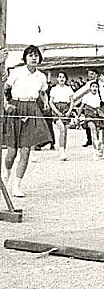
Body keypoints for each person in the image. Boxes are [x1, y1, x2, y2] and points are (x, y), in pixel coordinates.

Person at [3, 45, 53, 197]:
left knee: (25, 151)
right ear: (25, 58)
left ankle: (16, 186)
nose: (33, 58)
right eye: (30, 55)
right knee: (11, 152)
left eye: (36, 55)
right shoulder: (17, 72)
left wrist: (46, 102)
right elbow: (4, 88)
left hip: (32, 109)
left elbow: (43, 92)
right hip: (15, 107)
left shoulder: (41, 76)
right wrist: (6, 104)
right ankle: (7, 173)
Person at [76, 81, 104, 160]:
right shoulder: (86, 96)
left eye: (96, 86)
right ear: (90, 88)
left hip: (96, 114)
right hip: (89, 114)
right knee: (92, 128)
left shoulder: (99, 96)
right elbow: (81, 107)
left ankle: (95, 151)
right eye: (93, 86)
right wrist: (78, 117)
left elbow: (100, 106)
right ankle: (96, 142)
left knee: (97, 132)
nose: (94, 88)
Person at [49, 71, 74, 161]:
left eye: (63, 77)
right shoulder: (54, 89)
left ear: (66, 79)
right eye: (60, 77)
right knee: (62, 129)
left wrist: (69, 111)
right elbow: (51, 102)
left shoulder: (68, 89)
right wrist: (57, 112)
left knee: (65, 131)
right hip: (57, 108)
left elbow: (72, 101)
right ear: (57, 79)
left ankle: (63, 150)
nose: (62, 78)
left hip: (66, 108)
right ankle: (62, 152)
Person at [73, 68, 99, 147]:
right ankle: (90, 139)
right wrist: (74, 102)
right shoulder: (88, 84)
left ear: (96, 75)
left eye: (92, 74)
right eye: (89, 74)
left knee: (97, 125)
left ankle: (96, 140)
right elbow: (81, 93)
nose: (90, 75)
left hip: (97, 105)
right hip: (88, 105)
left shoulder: (99, 84)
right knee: (87, 123)